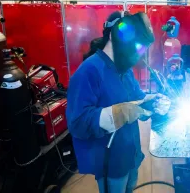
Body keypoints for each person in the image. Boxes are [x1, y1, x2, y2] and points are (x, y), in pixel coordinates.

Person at [66, 11, 168, 193]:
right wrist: (116, 114)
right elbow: (77, 123)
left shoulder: (124, 69)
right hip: (111, 162)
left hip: (131, 153)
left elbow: (137, 100)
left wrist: (151, 102)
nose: (137, 54)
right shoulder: (89, 71)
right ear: (115, 37)